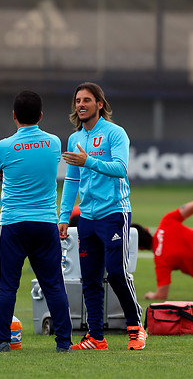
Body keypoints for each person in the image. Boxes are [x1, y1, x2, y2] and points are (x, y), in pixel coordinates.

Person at [58, 82, 146, 351]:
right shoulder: (75, 139)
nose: (80, 105)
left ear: (99, 104)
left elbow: (120, 169)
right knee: (90, 278)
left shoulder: (115, 133)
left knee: (118, 274)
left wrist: (89, 162)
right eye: (77, 100)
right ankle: (96, 336)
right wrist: (63, 216)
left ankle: (136, 328)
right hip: (87, 218)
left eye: (86, 100)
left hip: (114, 213)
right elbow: (72, 179)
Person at [0, 90, 72, 354]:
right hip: (46, 223)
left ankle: (2, 341)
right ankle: (64, 343)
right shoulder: (55, 142)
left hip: (13, 224)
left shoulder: (4, 146)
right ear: (41, 116)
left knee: (8, 286)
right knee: (54, 285)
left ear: (14, 116)